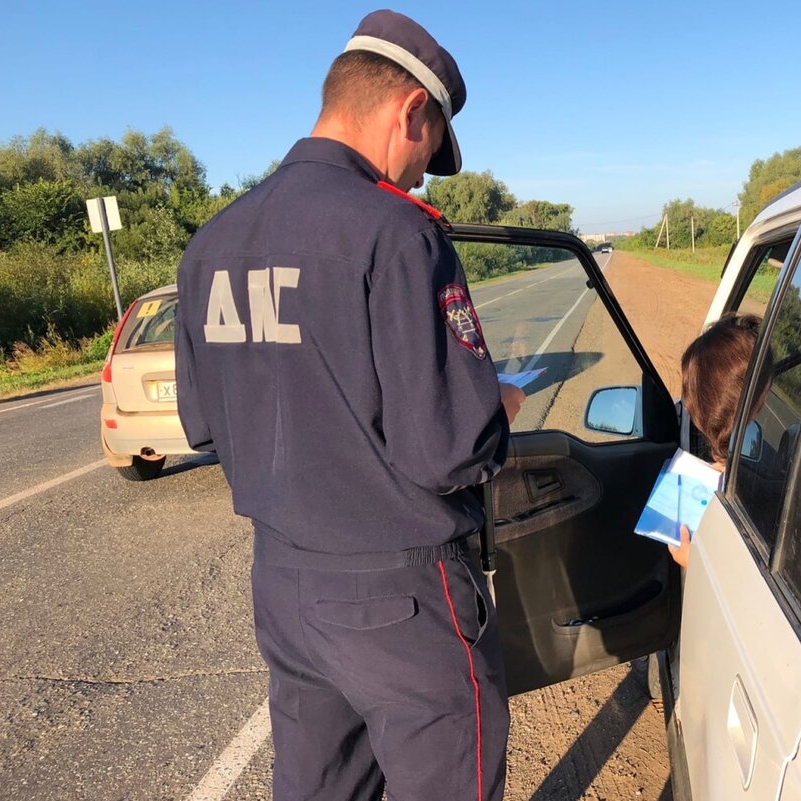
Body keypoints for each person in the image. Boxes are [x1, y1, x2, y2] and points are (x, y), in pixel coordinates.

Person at [174, 10, 522, 801]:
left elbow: (202, 424)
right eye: (427, 151)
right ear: (410, 111)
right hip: (402, 598)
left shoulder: (212, 244)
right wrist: (498, 401)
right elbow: (451, 450)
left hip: (284, 585)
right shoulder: (396, 234)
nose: (418, 177)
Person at [668, 312, 763, 568]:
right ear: (759, 403)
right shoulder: (745, 498)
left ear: (694, 411)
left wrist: (691, 560)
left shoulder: (688, 492)